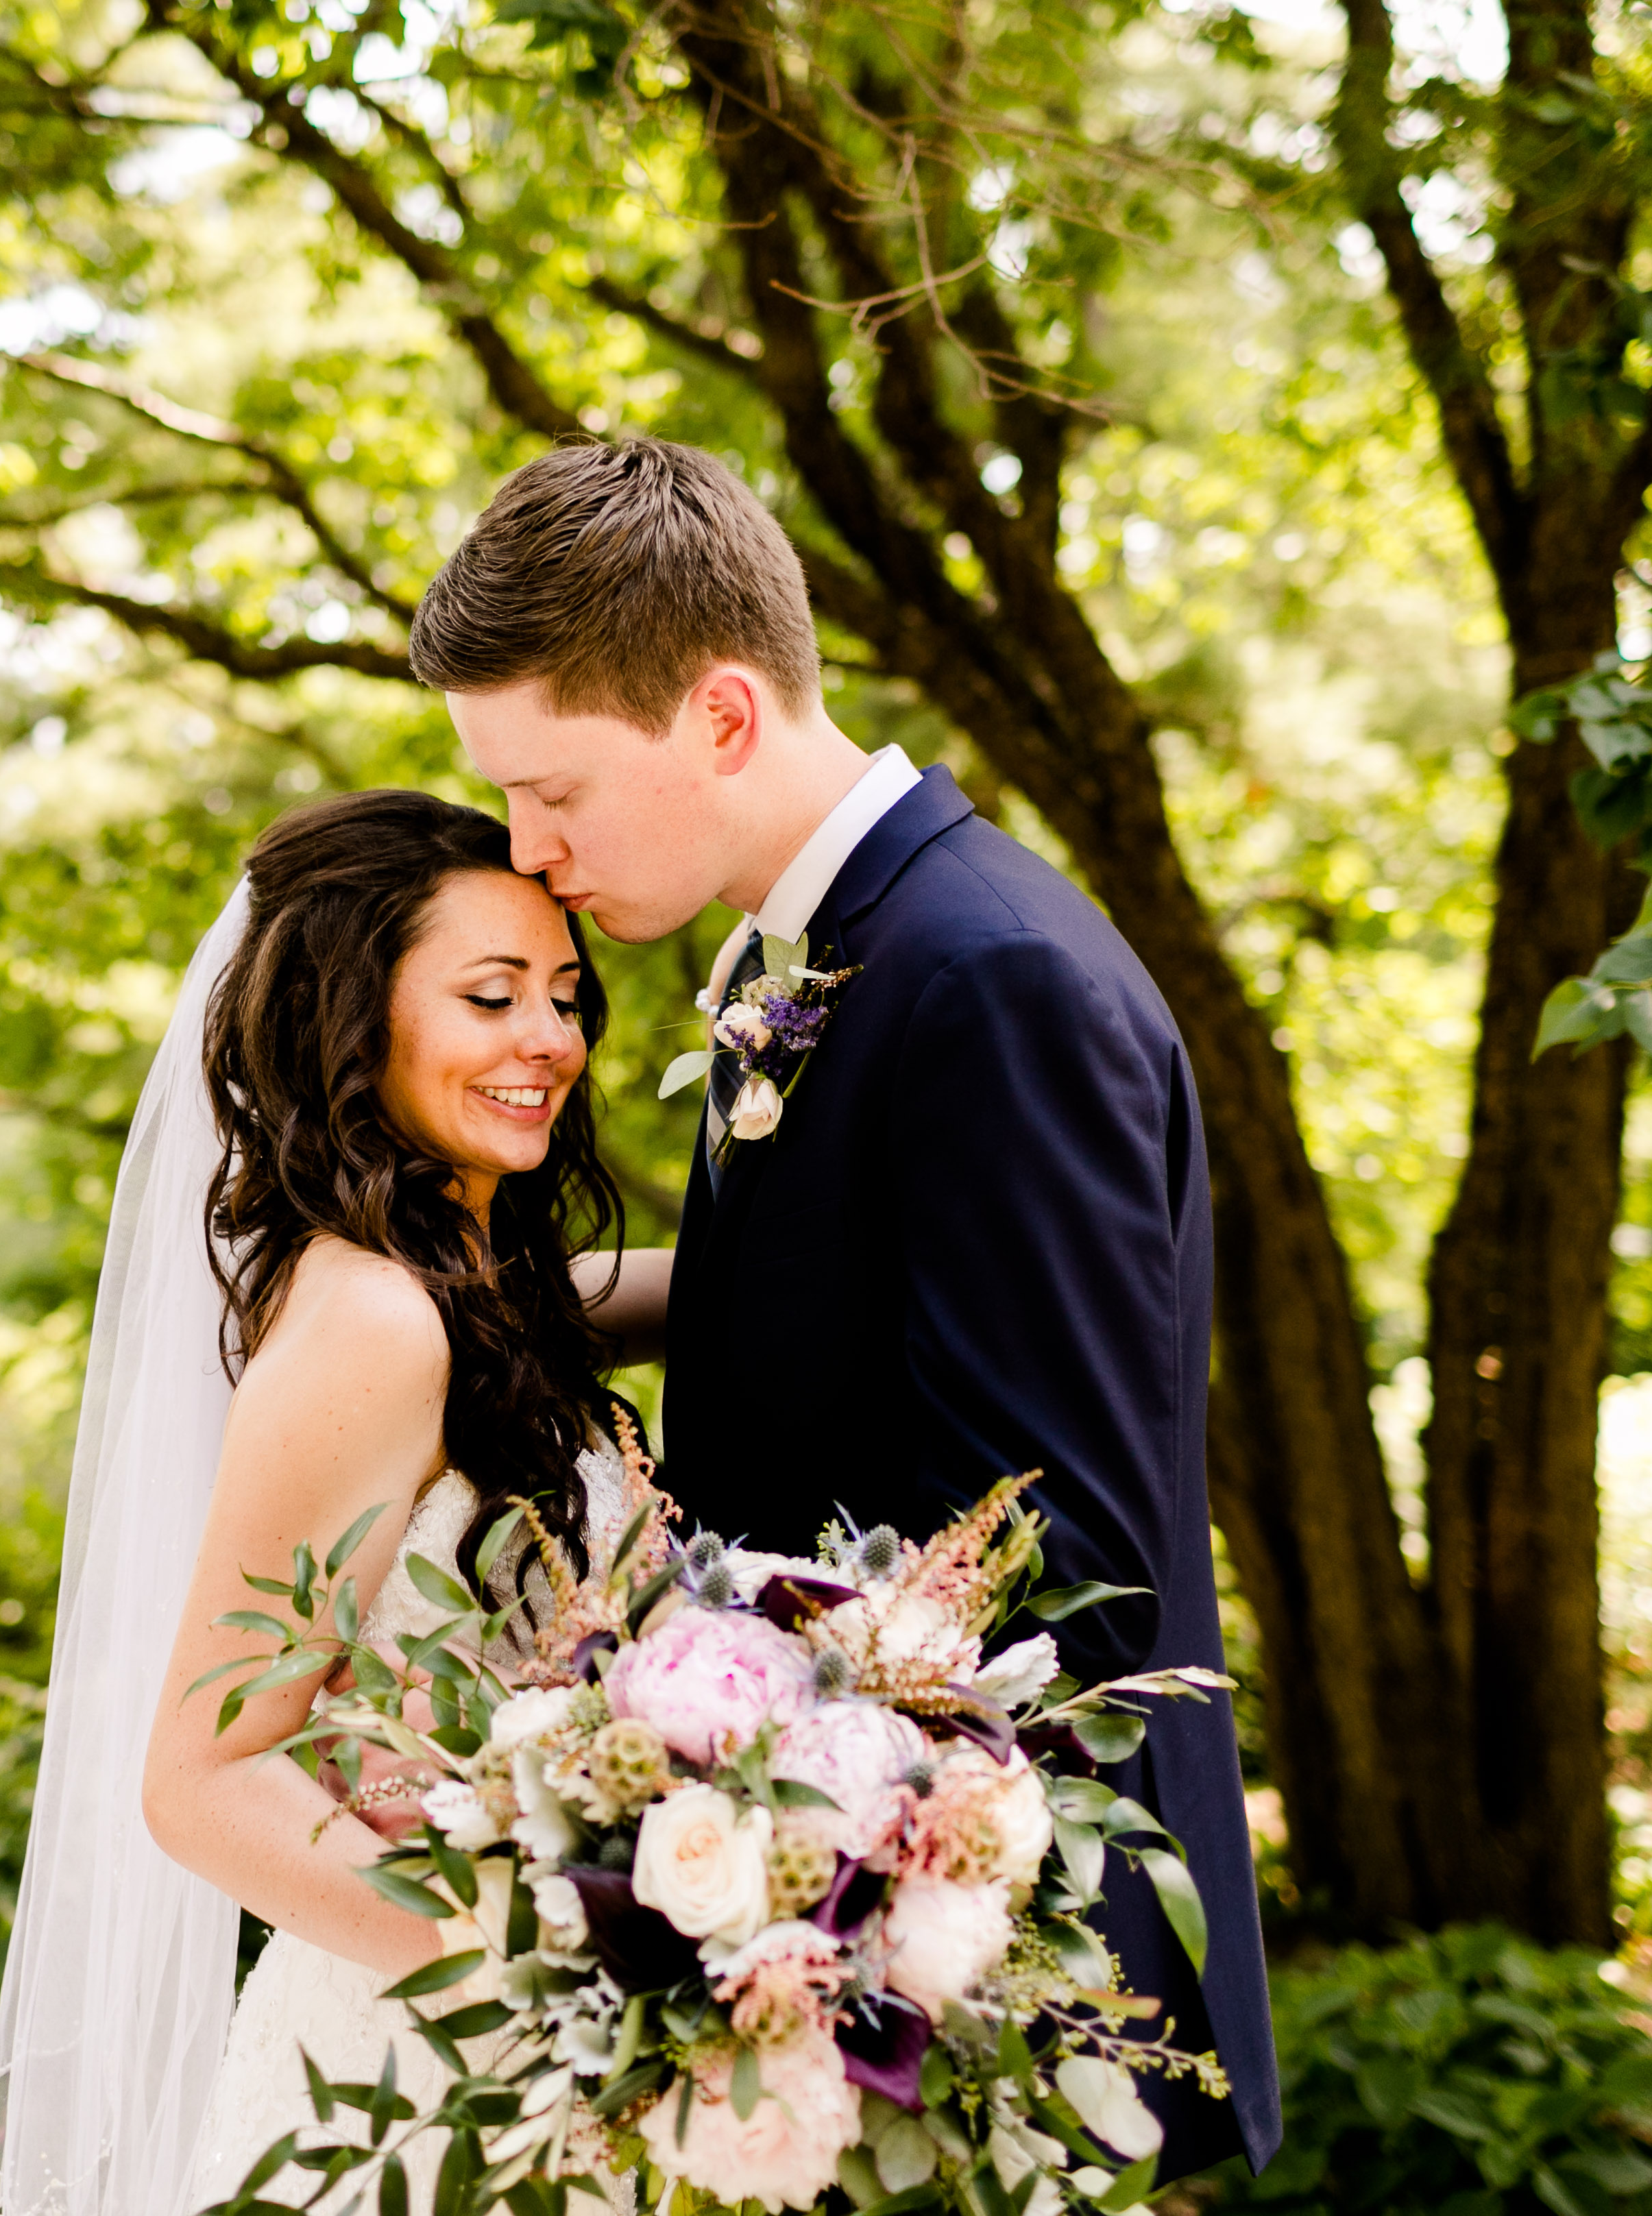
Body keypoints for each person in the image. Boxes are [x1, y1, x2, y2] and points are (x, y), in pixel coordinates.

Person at [411, 436, 1283, 2185]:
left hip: (988, 1991)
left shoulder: (992, 978)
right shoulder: (812, 956)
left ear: (722, 716)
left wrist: (711, 1775)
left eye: (556, 785)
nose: (530, 846)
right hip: (836, 1966)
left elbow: (1063, 1552)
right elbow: (819, 1326)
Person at [0, 790, 646, 2215]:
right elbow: (204, 1780)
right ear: (354, 1023)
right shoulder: (376, 1321)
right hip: (438, 2063)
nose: (550, 1040)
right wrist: (543, 1972)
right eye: (490, 996)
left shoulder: (460, 1292)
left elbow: (596, 1304)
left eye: (566, 996)